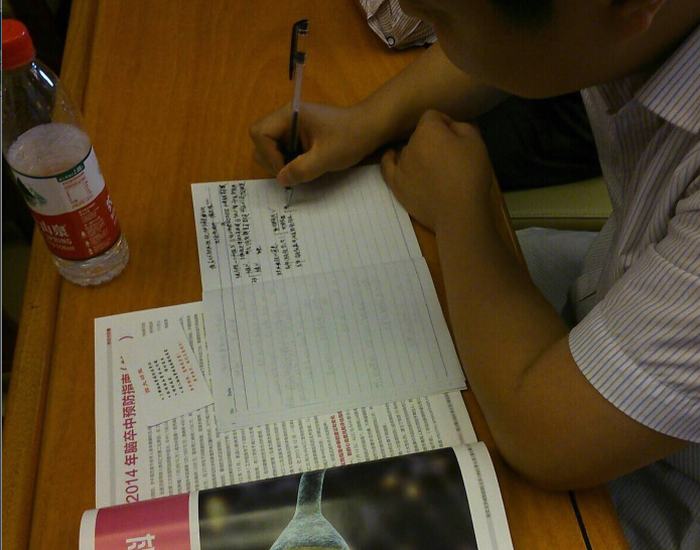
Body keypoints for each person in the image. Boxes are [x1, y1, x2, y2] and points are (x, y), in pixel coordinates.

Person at [250, 1, 700, 547]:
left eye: (441, 19)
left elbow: (546, 438)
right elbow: (504, 38)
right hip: (613, 286)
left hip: (664, 474)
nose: (426, 28)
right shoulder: (611, 23)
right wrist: (370, 118)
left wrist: (461, 211)